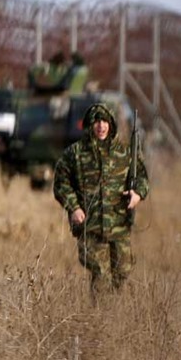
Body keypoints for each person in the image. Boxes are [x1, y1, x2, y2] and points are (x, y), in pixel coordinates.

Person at [53, 103, 149, 295]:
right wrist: (74, 208)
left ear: (111, 124)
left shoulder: (124, 151)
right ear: (89, 125)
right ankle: (101, 319)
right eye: (96, 121)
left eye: (104, 121)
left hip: (119, 224)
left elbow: (142, 178)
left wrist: (137, 194)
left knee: (122, 271)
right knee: (101, 275)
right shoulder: (76, 153)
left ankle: (116, 315)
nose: (101, 126)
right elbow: (61, 183)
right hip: (90, 226)